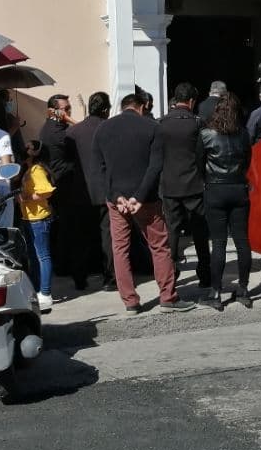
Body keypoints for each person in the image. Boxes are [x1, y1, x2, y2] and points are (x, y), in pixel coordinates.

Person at [92, 92, 194, 314]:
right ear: (142, 106)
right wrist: (138, 196)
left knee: (120, 248)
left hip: (116, 200)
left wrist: (117, 195)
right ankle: (168, 297)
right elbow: (155, 166)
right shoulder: (151, 127)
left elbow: (99, 169)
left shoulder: (103, 129)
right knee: (159, 246)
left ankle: (130, 301)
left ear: (122, 107)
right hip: (145, 199)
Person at [198, 92, 252, 310]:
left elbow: (199, 162)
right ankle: (244, 288)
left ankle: (216, 291)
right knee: (242, 241)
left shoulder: (206, 134)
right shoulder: (243, 134)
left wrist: (208, 181)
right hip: (238, 187)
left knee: (219, 243)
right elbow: (248, 160)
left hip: (215, 188)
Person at [153, 82, 211, 288]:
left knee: (172, 232)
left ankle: (171, 274)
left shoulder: (160, 123)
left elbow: (157, 156)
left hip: (169, 185)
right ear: (192, 101)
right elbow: (203, 154)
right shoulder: (198, 123)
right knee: (200, 232)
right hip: (194, 184)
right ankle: (205, 273)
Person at [39, 93, 92, 291]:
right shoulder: (61, 132)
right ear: (53, 111)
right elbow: (83, 136)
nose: (69, 111)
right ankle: (78, 275)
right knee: (74, 232)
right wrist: (71, 120)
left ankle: (63, 267)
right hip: (66, 185)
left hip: (60, 185)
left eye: (70, 108)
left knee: (64, 230)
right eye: (66, 109)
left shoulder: (49, 128)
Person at [68, 91, 115, 289]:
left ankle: (80, 278)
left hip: (81, 191)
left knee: (81, 237)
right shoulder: (110, 129)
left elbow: (69, 163)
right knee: (108, 236)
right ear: (105, 109)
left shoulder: (73, 132)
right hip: (105, 189)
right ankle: (110, 278)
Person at [18, 139, 56, 312]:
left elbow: (47, 191)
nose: (25, 148)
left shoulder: (37, 170)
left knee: (42, 256)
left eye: (29, 147)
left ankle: (45, 293)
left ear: (36, 152)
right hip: (30, 218)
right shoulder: (28, 169)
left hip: (39, 219)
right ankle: (38, 290)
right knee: (34, 256)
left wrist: (26, 198)